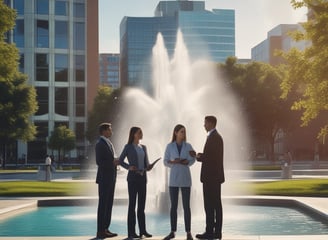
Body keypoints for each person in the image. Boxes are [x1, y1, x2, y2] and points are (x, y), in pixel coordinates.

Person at [119, 127, 154, 239]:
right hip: (133, 179)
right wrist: (129, 167)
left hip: (143, 179)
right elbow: (120, 160)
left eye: (141, 132)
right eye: (139, 132)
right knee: (132, 206)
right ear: (133, 134)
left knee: (141, 207)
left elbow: (146, 163)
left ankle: (142, 231)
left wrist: (149, 167)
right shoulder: (128, 147)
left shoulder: (143, 147)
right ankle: (131, 232)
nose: (141, 134)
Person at [163, 124, 196, 240]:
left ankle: (188, 232)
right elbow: (165, 162)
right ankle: (172, 231)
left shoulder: (188, 146)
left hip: (186, 179)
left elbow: (193, 160)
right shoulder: (169, 146)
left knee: (187, 206)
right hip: (174, 180)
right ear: (176, 133)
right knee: (174, 207)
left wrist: (188, 162)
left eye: (184, 132)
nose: (183, 134)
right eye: (181, 131)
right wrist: (174, 162)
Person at [195, 116, 225, 240]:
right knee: (213, 205)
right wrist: (200, 155)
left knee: (212, 205)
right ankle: (213, 231)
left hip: (211, 178)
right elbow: (211, 156)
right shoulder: (214, 137)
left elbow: (212, 159)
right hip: (212, 177)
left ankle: (212, 232)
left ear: (211, 123)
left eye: (205, 123)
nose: (204, 125)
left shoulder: (215, 138)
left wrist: (199, 157)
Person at [95, 123, 119, 239]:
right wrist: (112, 163)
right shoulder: (100, 144)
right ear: (104, 131)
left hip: (111, 178)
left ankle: (106, 228)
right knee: (103, 204)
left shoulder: (108, 143)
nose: (111, 131)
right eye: (110, 129)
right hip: (104, 178)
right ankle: (100, 231)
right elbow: (99, 162)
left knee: (109, 204)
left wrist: (115, 161)